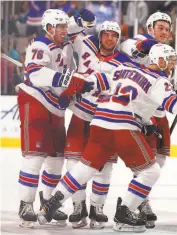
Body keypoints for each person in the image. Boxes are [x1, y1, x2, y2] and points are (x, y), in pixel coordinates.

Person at [37, 44, 177, 232]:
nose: (173, 64)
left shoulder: (124, 68)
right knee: (151, 172)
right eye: (171, 60)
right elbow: (174, 105)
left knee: (85, 167)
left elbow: (99, 80)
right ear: (160, 60)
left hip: (100, 121)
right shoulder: (159, 80)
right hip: (122, 126)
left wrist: (81, 84)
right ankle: (125, 212)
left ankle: (50, 204)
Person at [16, 9, 94, 228]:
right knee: (35, 156)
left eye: (64, 26)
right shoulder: (40, 44)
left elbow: (77, 28)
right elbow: (36, 75)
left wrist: (69, 93)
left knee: (57, 159)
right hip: (35, 100)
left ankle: (47, 203)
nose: (64, 30)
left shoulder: (66, 43)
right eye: (60, 27)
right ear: (49, 28)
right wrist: (68, 79)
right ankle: (25, 204)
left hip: (55, 107)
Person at [64, 20, 134, 229]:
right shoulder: (86, 44)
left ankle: (98, 208)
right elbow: (68, 32)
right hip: (79, 113)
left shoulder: (123, 62)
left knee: (105, 167)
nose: (110, 38)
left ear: (118, 39)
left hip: (105, 118)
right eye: (106, 34)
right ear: (100, 35)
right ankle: (78, 206)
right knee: (73, 163)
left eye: (114, 35)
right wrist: (77, 21)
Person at [120, 11, 172, 228]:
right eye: (160, 28)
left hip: (160, 114)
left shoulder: (166, 52)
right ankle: (137, 204)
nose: (164, 32)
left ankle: (141, 200)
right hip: (143, 115)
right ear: (150, 28)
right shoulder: (140, 43)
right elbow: (127, 46)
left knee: (159, 162)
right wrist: (148, 45)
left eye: (167, 29)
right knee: (146, 166)